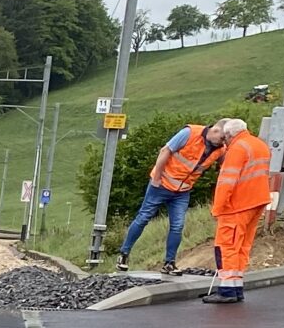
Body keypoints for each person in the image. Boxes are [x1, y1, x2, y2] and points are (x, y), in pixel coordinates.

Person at [117, 121, 220, 270]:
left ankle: (169, 263)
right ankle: (124, 253)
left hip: (182, 191)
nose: (224, 142)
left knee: (177, 226)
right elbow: (165, 150)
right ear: (216, 130)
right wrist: (157, 178)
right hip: (161, 185)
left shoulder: (220, 148)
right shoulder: (190, 133)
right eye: (223, 138)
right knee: (144, 217)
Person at [205, 116, 275, 304]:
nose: (224, 142)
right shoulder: (259, 144)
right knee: (242, 246)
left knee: (226, 246)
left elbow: (227, 181)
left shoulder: (237, 148)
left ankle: (227, 290)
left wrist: (218, 208)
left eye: (224, 138)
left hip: (237, 205)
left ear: (229, 135)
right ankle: (236, 287)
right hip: (257, 201)